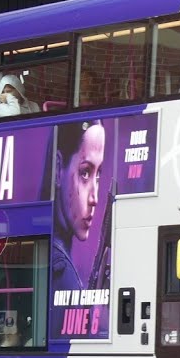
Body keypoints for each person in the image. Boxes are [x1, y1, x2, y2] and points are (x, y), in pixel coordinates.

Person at [51, 120, 106, 293]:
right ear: (59, 169)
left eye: (97, 176)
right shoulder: (63, 274)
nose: (94, 198)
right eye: (85, 173)